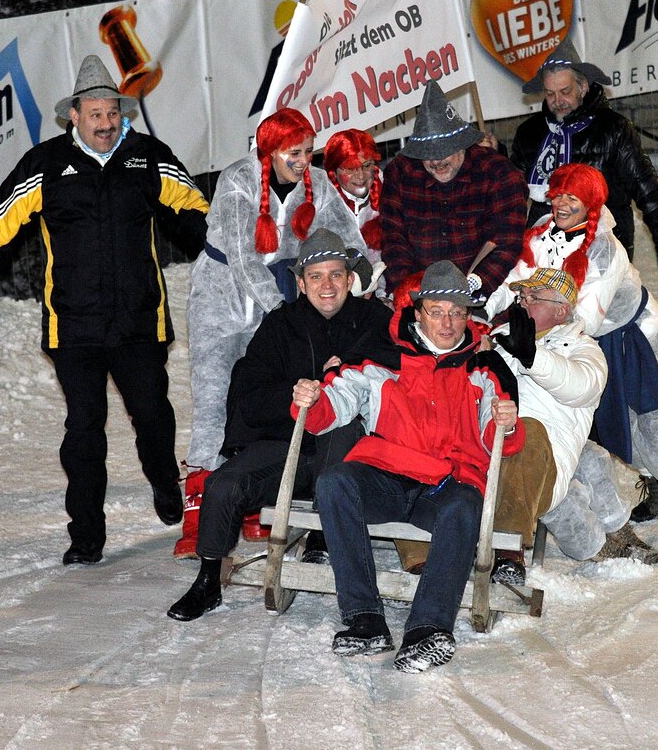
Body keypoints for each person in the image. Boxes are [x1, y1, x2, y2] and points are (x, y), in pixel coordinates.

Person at [0, 55, 210, 565]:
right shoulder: (45, 164)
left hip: (140, 320)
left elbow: (194, 210)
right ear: (75, 116)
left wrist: (224, 254)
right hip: (74, 326)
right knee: (84, 430)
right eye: (96, 115)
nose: (107, 124)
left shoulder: (147, 156)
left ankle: (163, 479)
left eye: (113, 113)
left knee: (153, 415)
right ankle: (86, 534)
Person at [292, 260, 524, 673]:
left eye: (456, 313)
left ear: (468, 316)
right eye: (437, 312)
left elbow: (498, 437)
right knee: (334, 484)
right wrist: (312, 400)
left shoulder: (486, 368)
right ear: (418, 313)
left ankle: (429, 628)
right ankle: (364, 618)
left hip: (448, 482)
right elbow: (337, 403)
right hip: (388, 474)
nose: (448, 322)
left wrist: (505, 425)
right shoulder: (383, 356)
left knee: (464, 506)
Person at [485, 163, 658, 535]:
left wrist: (526, 333)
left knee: (655, 418)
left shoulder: (603, 249)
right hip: (583, 341)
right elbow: (517, 278)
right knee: (619, 426)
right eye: (558, 194)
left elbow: (585, 314)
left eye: (573, 198)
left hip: (631, 334)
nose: (562, 204)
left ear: (590, 205)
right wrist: (484, 309)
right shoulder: (541, 234)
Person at [167, 229, 391, 621]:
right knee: (225, 484)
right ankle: (207, 579)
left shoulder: (374, 320)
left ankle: (326, 534)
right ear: (301, 282)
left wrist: (343, 378)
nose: (327, 285)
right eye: (316, 276)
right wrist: (293, 395)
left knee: (341, 427)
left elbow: (400, 374)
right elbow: (248, 394)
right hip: (287, 444)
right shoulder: (279, 325)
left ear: (349, 278)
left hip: (346, 455)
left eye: (336, 274)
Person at [184, 109, 369, 482]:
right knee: (214, 391)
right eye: (294, 153)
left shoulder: (317, 182)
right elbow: (240, 256)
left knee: (266, 393)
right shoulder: (238, 179)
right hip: (222, 297)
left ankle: (253, 483)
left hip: (281, 291)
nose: (303, 162)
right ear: (270, 151)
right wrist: (285, 314)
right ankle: (202, 486)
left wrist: (361, 280)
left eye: (308, 152)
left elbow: (350, 241)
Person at [488, 267, 658, 582]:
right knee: (565, 480)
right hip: (504, 445)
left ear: (560, 311)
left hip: (547, 448)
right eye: (521, 296)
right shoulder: (501, 346)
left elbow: (581, 386)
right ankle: (602, 544)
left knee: (588, 459)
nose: (523, 303)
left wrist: (533, 358)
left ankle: (618, 535)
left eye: (533, 297)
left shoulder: (583, 349)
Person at [511, 38, 658, 284]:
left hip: (602, 246)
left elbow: (648, 189)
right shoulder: (530, 133)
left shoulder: (614, 129)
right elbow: (509, 194)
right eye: (550, 94)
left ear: (583, 87)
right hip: (546, 250)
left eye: (565, 92)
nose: (557, 100)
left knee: (599, 318)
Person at [379, 80, 528, 296]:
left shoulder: (498, 172)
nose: (437, 161)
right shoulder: (400, 174)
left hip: (485, 293)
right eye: (427, 154)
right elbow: (393, 242)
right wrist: (411, 289)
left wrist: (474, 288)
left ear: (462, 144)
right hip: (419, 294)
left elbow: (507, 243)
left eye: (444, 152)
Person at [323, 128, 387, 296]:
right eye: (350, 169)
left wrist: (383, 295)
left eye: (366, 166)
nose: (360, 176)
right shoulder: (319, 203)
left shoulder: (391, 193)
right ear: (334, 172)